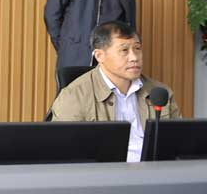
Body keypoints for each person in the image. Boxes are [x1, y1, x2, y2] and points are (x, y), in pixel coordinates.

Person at [51, 21, 180, 162]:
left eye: (137, 48)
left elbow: (179, 143)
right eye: (124, 50)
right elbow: (65, 153)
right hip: (105, 172)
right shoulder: (74, 96)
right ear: (99, 56)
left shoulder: (159, 92)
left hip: (156, 169)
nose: (134, 57)